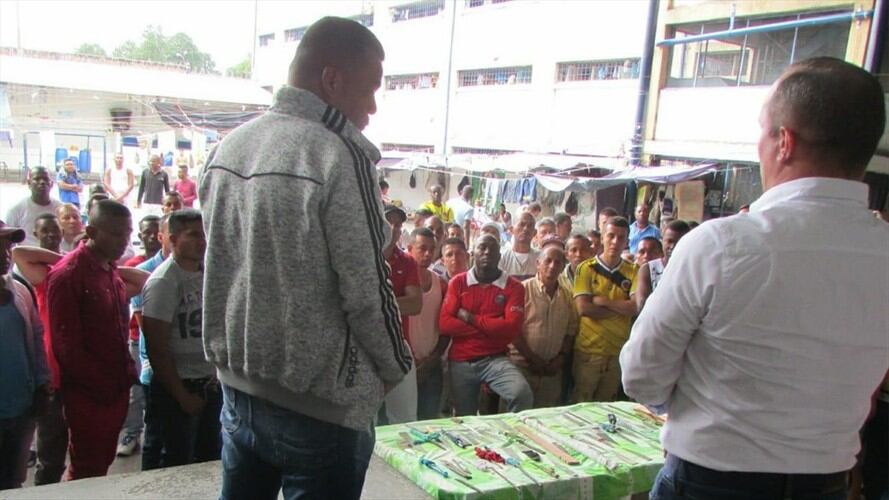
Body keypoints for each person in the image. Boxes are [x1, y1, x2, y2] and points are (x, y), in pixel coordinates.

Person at [621, 58, 889, 500]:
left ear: (784, 142)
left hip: (709, 482)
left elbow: (642, 376)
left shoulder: (722, 244)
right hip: (825, 485)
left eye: (761, 131)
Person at [199, 17, 411, 500]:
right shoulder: (338, 155)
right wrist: (397, 365)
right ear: (332, 80)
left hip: (239, 391)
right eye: (371, 90)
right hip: (322, 408)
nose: (373, 108)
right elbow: (365, 290)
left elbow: (225, 269)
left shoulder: (230, 146)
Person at [47, 199, 137, 480]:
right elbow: (67, 348)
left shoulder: (110, 269)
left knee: (102, 461)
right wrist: (102, 387)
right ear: (92, 231)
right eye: (115, 233)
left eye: (127, 233)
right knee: (87, 467)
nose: (124, 241)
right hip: (90, 395)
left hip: (114, 389)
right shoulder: (68, 275)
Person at [141, 209, 220, 467]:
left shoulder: (207, 274)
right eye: (193, 235)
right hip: (179, 387)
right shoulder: (164, 281)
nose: (202, 241)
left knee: (208, 458)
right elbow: (157, 346)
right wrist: (181, 395)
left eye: (204, 234)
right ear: (173, 239)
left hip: (209, 384)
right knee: (176, 460)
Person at [440, 234, 532, 416]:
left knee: (521, 394)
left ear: (500, 255)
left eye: (493, 249)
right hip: (461, 361)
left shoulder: (513, 287)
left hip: (495, 359)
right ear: (473, 253)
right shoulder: (458, 283)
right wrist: (493, 325)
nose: (487, 252)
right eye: (482, 247)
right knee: (464, 418)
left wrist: (471, 318)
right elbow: (445, 324)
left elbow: (511, 329)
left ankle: (510, 434)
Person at [0, 220, 50, 489]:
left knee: (14, 481)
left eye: (7, 246)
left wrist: (42, 384)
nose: (5, 254)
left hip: (20, 409)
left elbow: (36, 339)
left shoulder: (20, 290)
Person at [572, 216, 637, 403]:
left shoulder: (635, 271)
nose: (615, 242)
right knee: (581, 405)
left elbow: (634, 307)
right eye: (611, 236)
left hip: (617, 351)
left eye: (621, 237)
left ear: (627, 241)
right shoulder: (586, 269)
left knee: (608, 406)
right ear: (602, 238)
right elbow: (584, 308)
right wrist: (620, 308)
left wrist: (602, 301)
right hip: (588, 351)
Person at [116, 214, 162, 458]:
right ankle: (132, 432)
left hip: (168, 347)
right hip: (141, 342)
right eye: (147, 232)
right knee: (138, 395)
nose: (152, 237)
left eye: (156, 231)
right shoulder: (139, 268)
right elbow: (144, 320)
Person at [510, 245, 576, 408]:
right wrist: (533, 360)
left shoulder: (567, 295)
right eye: (548, 261)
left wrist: (560, 358)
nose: (553, 266)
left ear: (563, 266)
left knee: (546, 420)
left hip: (552, 371)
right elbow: (513, 331)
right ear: (538, 263)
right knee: (516, 419)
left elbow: (570, 331)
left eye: (558, 262)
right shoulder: (522, 290)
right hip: (522, 367)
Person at [381, 205, 422, 424]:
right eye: (389, 222)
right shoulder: (361, 256)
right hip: (361, 348)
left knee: (404, 418)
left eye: (398, 224)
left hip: (397, 346)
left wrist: (375, 305)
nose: (394, 228)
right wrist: (396, 303)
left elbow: (415, 304)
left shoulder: (407, 262)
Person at [407, 228, 449, 420]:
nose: (427, 254)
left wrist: (432, 359)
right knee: (401, 421)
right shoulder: (399, 282)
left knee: (429, 420)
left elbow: (446, 327)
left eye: (432, 249)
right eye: (422, 248)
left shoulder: (441, 284)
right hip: (404, 364)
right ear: (409, 248)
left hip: (431, 365)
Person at [634, 220, 690, 314]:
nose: (673, 246)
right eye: (669, 241)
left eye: (679, 242)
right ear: (662, 241)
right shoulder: (648, 269)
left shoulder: (694, 271)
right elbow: (641, 305)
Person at [4, 167, 63, 247]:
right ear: (29, 183)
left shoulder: (61, 208)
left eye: (46, 179)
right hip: (27, 257)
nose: (42, 182)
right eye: (37, 179)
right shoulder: (16, 210)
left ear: (51, 184)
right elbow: (8, 240)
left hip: (56, 257)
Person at [499, 211, 538, 280]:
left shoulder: (541, 258)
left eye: (530, 226)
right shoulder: (501, 257)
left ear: (534, 232)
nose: (525, 229)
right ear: (511, 229)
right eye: (521, 225)